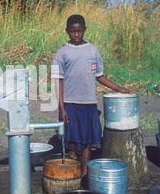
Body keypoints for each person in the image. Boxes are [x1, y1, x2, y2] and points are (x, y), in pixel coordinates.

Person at [52, 14, 131, 176]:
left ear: (85, 30)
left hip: (89, 104)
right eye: (73, 32)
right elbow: (57, 81)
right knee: (71, 142)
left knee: (88, 141)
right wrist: (61, 108)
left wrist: (118, 88)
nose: (76, 34)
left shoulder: (92, 49)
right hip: (70, 104)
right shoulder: (62, 52)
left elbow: (99, 76)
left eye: (80, 31)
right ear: (67, 31)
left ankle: (85, 174)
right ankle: (73, 174)